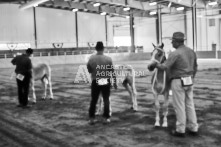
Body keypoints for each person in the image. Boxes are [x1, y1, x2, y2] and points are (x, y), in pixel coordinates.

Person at [153, 32, 198, 137]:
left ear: (177, 42)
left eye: (173, 41)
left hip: (178, 81)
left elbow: (165, 67)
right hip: (189, 80)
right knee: (190, 105)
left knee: (179, 106)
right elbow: (195, 67)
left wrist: (155, 65)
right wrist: (192, 78)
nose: (172, 43)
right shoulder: (191, 52)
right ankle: (193, 127)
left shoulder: (175, 53)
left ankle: (180, 130)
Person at [87, 41, 117, 125]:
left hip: (95, 80)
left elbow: (89, 69)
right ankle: (106, 118)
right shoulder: (108, 59)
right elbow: (112, 72)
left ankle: (91, 118)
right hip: (105, 80)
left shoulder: (91, 58)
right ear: (103, 49)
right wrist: (114, 82)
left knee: (94, 100)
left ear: (96, 49)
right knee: (106, 100)